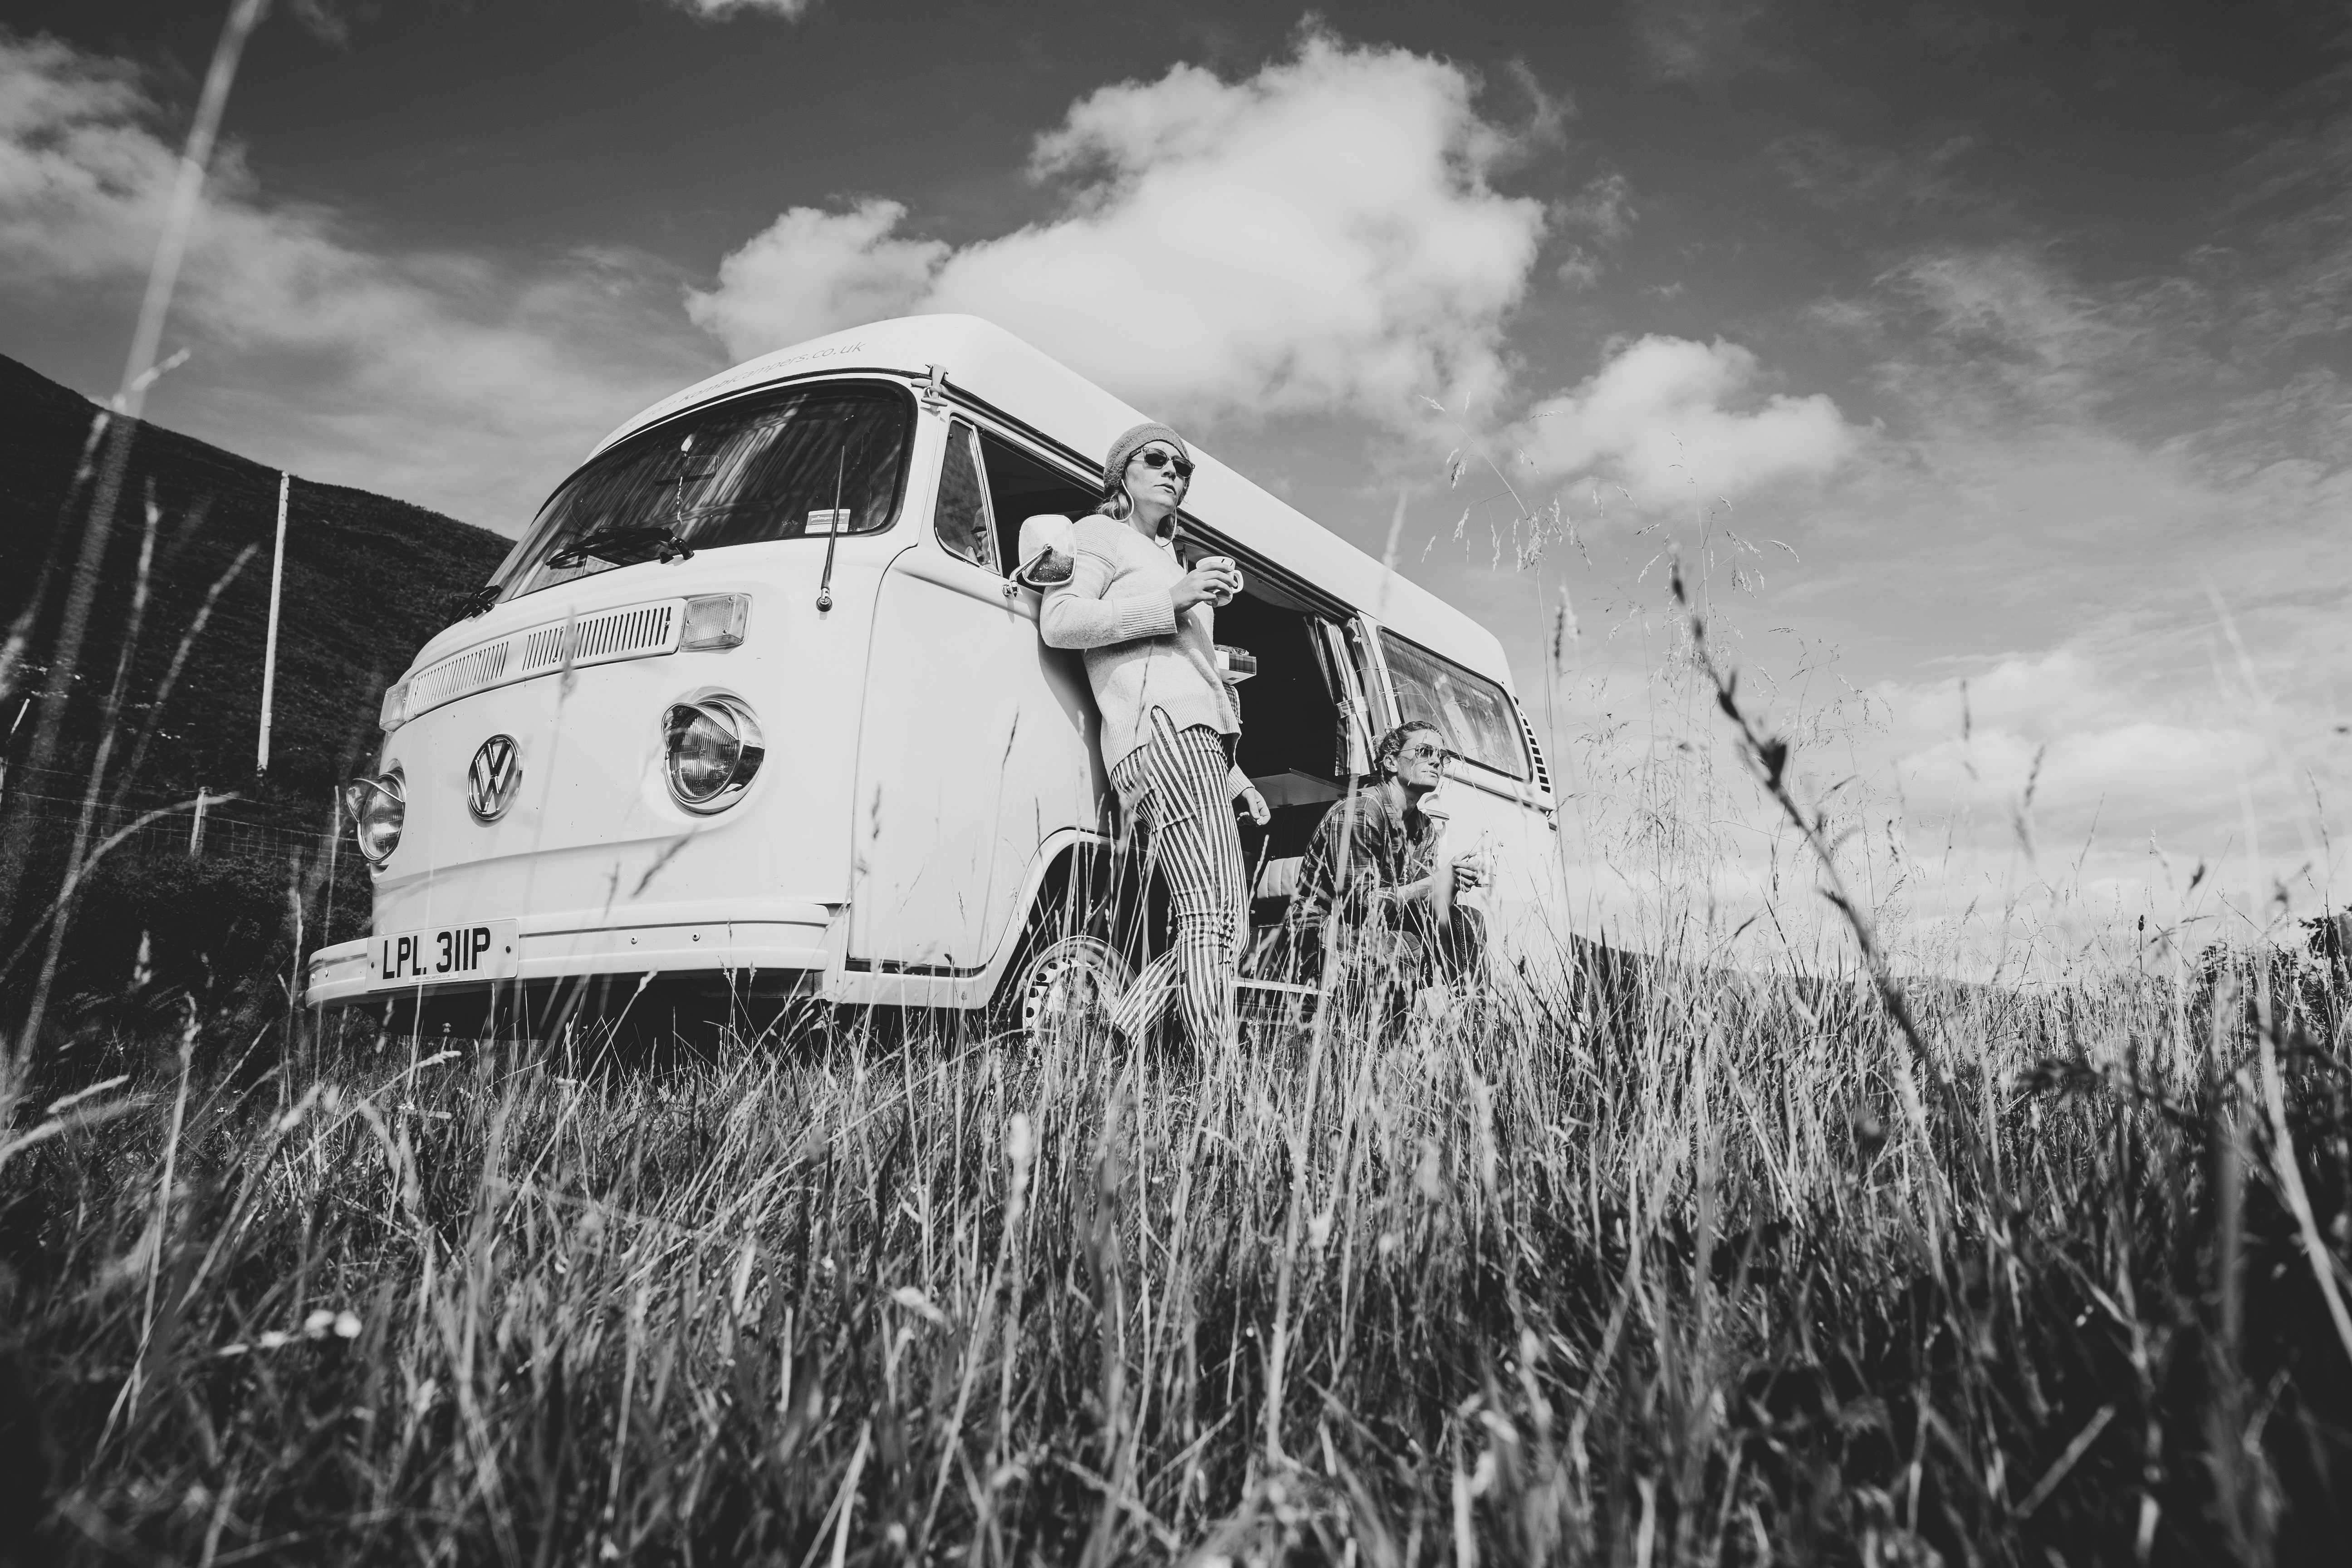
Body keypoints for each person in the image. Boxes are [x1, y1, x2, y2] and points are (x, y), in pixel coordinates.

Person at [1035, 421, 1269, 1052]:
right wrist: (1173, 597)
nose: (1173, 472)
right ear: (1122, 476)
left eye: (1183, 468)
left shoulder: (1170, 556)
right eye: (1156, 459)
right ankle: (1221, 1071)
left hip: (1194, 741)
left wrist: (1233, 770)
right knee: (1213, 918)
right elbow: (1060, 621)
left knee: (1224, 924)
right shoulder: (1099, 535)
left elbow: (1189, 673)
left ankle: (1120, 1036)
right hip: (1160, 734)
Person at [1276, 720, 1490, 1015]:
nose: (1436, 762)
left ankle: (1473, 1026)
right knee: (1402, 942)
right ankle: (1371, 1031)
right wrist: (1433, 883)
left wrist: (1452, 883)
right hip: (1324, 938)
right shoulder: (1362, 812)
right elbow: (1359, 904)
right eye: (1425, 751)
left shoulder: (1424, 827)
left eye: (1442, 757)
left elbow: (1424, 904)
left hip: (1381, 935)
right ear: (1391, 762)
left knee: (1466, 921)